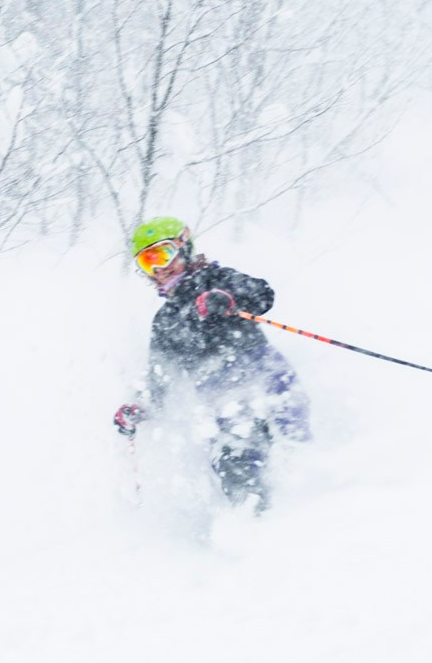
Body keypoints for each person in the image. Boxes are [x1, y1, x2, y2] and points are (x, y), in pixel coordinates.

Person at [113, 216, 310, 512]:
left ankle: (313, 500)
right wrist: (140, 407)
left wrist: (227, 298)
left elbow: (262, 294)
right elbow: (161, 378)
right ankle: (256, 524)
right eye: (146, 261)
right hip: (221, 400)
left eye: (163, 254)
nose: (158, 268)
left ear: (184, 248)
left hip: (265, 377)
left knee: (289, 446)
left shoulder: (215, 278)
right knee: (235, 461)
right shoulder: (165, 321)